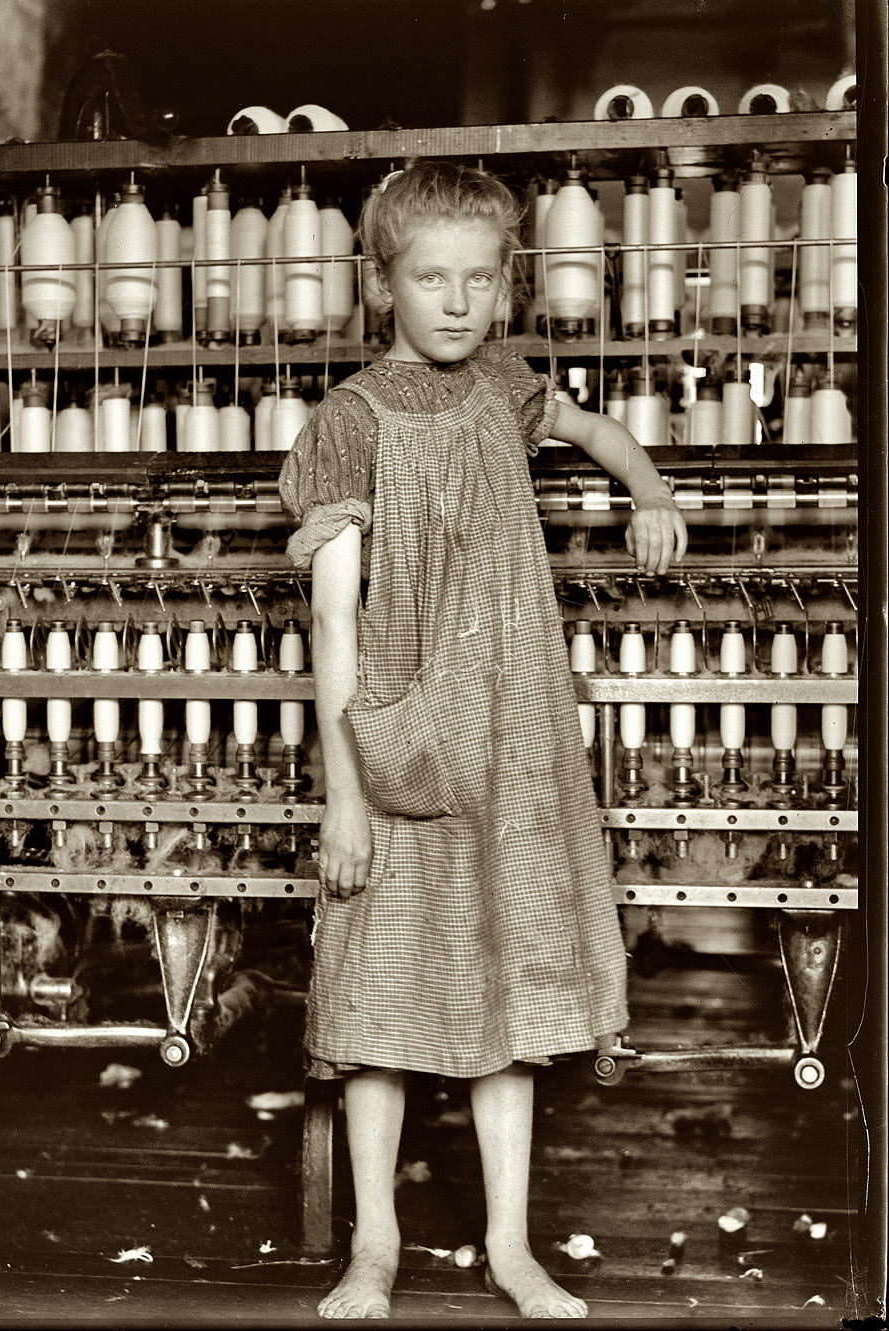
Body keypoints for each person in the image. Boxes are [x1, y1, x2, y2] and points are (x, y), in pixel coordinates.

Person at [278, 159, 688, 1321]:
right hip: (400, 740)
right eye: (428, 279)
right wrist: (344, 795)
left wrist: (648, 487)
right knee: (378, 1007)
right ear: (380, 285)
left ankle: (509, 1246)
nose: (456, 301)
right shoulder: (347, 423)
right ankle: (375, 1246)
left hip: (512, 739)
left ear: (504, 281)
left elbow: (596, 425)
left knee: (507, 1000)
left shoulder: (506, 386)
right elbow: (332, 619)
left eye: (477, 277)